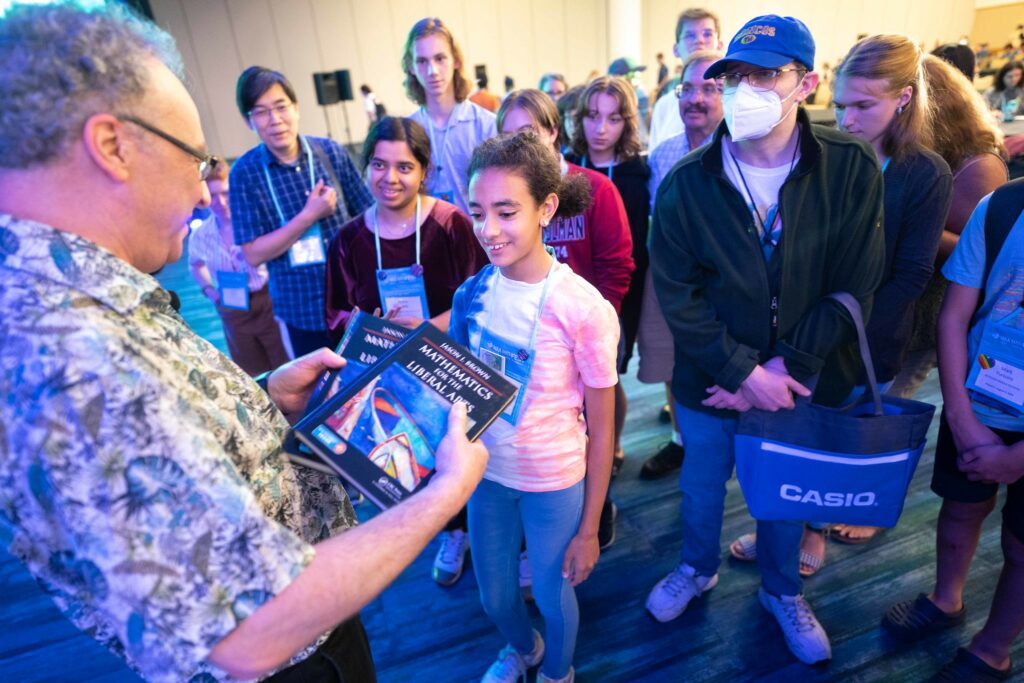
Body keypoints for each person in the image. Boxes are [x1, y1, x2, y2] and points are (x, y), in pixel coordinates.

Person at [0, 4, 488, 683]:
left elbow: (158, 437)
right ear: (111, 146)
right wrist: (443, 495)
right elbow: (252, 626)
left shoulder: (72, 303)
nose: (204, 192)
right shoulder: (66, 357)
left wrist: (258, 400)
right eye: (193, 158)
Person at [645, 15, 884, 665]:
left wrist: (784, 370)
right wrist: (742, 373)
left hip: (800, 379)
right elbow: (679, 295)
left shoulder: (849, 167)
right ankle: (697, 568)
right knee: (701, 486)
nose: (744, 90)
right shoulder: (689, 182)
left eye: (765, 75)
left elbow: (855, 282)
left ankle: (782, 590)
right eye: (735, 77)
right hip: (710, 381)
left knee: (784, 492)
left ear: (805, 83)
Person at [732, 34, 954, 553]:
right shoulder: (821, 152)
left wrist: (839, 328)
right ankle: (780, 529)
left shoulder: (924, 173)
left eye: (863, 106)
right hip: (800, 329)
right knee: (788, 436)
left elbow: (911, 276)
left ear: (903, 97)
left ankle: (811, 530)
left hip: (865, 339)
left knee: (834, 441)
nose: (848, 118)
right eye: (840, 104)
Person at [450, 131, 619, 683]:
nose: (488, 230)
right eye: (478, 212)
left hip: (553, 480)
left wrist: (590, 527)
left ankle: (558, 673)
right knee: (495, 597)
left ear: (546, 209)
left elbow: (603, 428)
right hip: (487, 473)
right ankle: (526, 649)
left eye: (506, 212)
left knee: (551, 593)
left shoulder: (583, 308)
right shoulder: (472, 294)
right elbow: (458, 389)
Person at [882, 180, 1024, 683]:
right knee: (961, 507)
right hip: (980, 401)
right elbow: (954, 317)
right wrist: (961, 419)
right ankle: (947, 599)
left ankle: (993, 649)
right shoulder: (1002, 205)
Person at [497, 89, 634, 548]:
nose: (519, 145)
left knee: (596, 423)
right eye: (508, 136)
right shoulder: (506, 198)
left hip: (587, 332)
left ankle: (599, 503)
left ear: (553, 131)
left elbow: (617, 267)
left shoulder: (596, 188)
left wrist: (594, 331)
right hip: (530, 339)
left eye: (528, 132)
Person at [230, 66, 374, 357]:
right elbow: (252, 254)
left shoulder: (330, 153)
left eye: (281, 107)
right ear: (248, 121)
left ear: (295, 108)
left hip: (356, 303)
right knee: (320, 385)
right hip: (302, 314)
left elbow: (370, 216)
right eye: (261, 112)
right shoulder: (244, 173)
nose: (275, 120)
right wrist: (309, 215)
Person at [888, 55, 1008, 399]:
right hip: (899, 306)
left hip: (929, 312)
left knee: (887, 404)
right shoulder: (917, 151)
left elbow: (978, 254)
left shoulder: (979, 165)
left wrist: (912, 225)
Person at [636, 49, 724, 480]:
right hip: (672, 280)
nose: (696, 98)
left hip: (721, 284)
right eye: (687, 88)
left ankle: (715, 446)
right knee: (671, 362)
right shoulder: (663, 154)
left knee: (717, 363)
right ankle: (679, 439)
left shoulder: (740, 152)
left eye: (709, 88)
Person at [325, 116, 486, 340]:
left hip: (448, 355)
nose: (390, 178)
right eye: (379, 165)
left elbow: (483, 296)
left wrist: (430, 327)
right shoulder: (347, 240)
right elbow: (337, 316)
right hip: (380, 358)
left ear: (424, 172)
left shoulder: (452, 224)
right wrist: (366, 327)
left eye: (404, 167)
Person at [566, 76, 650, 475]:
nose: (601, 129)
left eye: (613, 119)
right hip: (569, 293)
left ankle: (612, 444)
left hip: (618, 293)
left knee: (608, 375)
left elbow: (633, 250)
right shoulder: (565, 166)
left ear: (627, 123)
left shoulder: (637, 173)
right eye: (593, 116)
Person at [188, 159, 290, 376]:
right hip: (231, 305)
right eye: (213, 195)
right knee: (251, 373)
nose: (221, 202)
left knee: (285, 364)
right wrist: (209, 290)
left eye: (226, 193)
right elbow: (195, 264)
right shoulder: (200, 236)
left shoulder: (258, 224)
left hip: (268, 300)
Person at [404, 17, 497, 216]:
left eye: (440, 58)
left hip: (478, 233)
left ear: (456, 60)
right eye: (422, 61)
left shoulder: (486, 125)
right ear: (411, 66)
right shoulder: (406, 132)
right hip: (425, 234)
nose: (432, 71)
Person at [647, 8, 724, 153]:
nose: (699, 41)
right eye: (690, 35)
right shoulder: (663, 106)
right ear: (676, 49)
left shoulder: (733, 102)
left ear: (720, 46)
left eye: (707, 34)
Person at [607, 58, 650, 145]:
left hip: (640, 144)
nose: (635, 80)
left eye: (637, 75)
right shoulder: (609, 103)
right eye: (631, 76)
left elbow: (647, 123)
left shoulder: (639, 94)